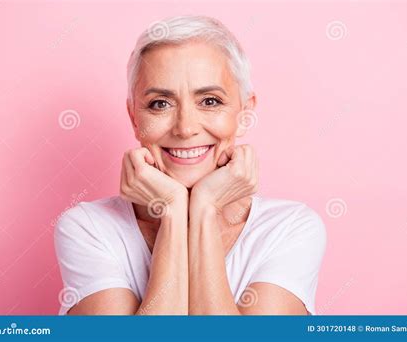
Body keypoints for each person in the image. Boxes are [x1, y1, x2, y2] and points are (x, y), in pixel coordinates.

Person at [54, 15, 326, 315]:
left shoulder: (289, 229)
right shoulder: (89, 229)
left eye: (209, 101)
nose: (185, 128)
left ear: (245, 112)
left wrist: (204, 208)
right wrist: (172, 210)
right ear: (135, 118)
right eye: (160, 103)